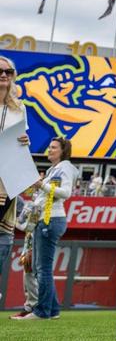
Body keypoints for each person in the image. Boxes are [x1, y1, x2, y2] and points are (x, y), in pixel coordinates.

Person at [16, 136, 78, 322]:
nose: (49, 150)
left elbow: (65, 193)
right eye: (49, 147)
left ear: (63, 151)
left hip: (51, 220)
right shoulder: (55, 169)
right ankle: (52, 310)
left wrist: (40, 184)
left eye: (53, 147)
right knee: (38, 268)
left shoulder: (64, 167)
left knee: (42, 269)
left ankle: (42, 311)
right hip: (45, 219)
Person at [0, 55, 30, 279]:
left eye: (8, 72)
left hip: (7, 176)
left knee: (4, 233)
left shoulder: (19, 108)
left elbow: (22, 137)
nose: (3, 75)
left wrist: (25, 141)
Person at [10, 198, 39, 319]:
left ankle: (35, 306)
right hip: (29, 243)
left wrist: (14, 221)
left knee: (31, 276)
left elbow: (27, 226)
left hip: (36, 244)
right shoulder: (30, 203)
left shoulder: (36, 204)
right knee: (27, 277)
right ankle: (29, 307)